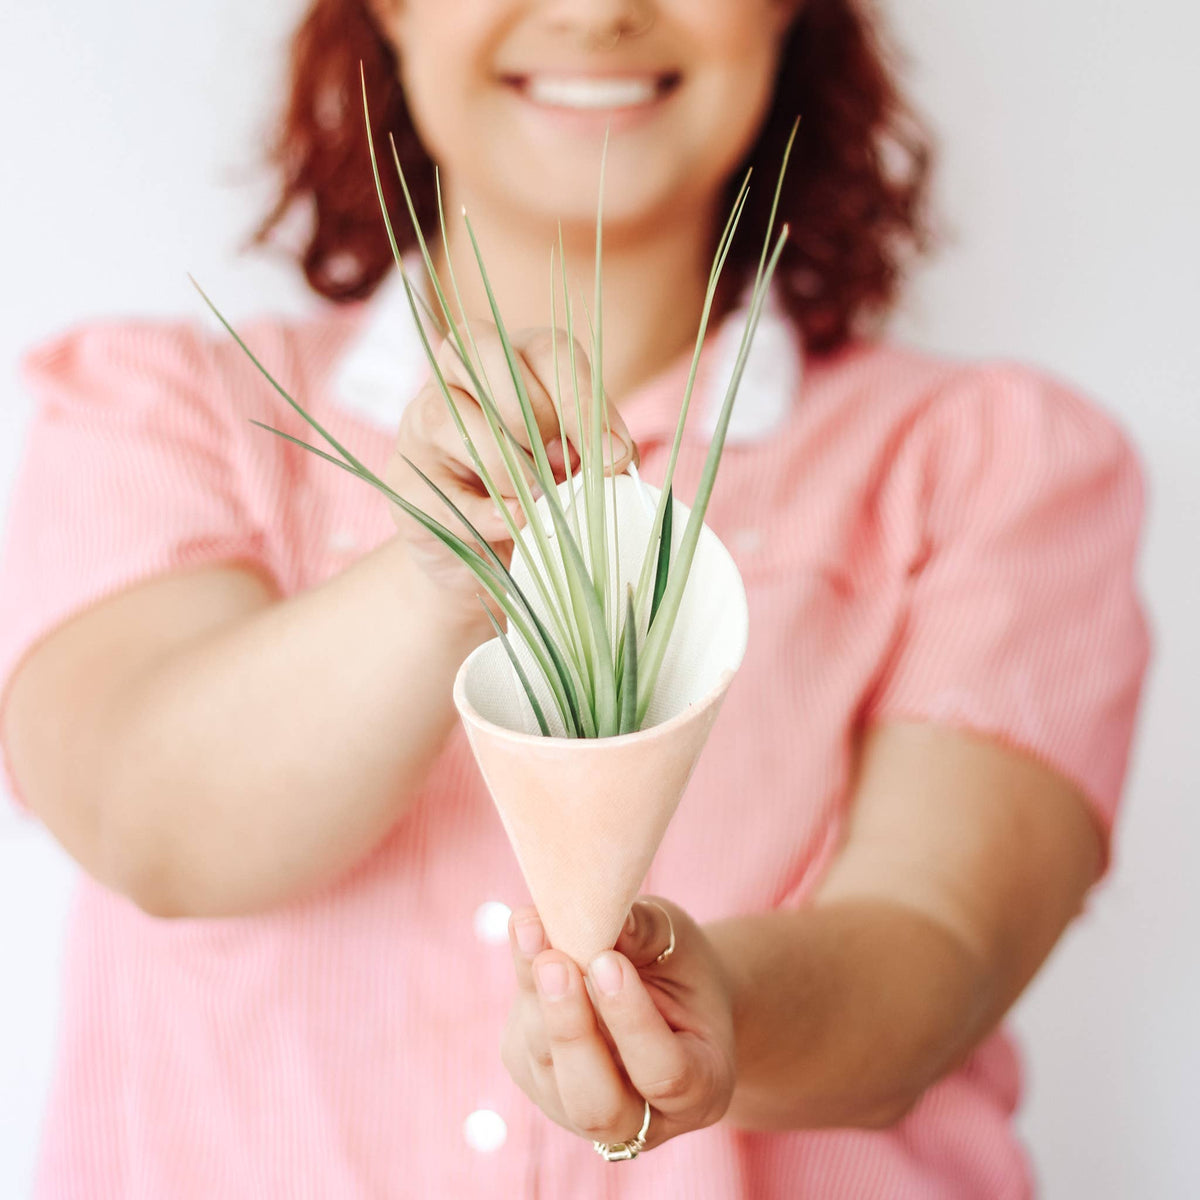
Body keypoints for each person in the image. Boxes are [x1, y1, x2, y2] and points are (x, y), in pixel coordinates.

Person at [0, 0, 1150, 1196]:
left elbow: (940, 947)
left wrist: (720, 1011)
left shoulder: (988, 462)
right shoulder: (165, 412)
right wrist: (442, 571)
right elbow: (156, 822)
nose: (599, 11)